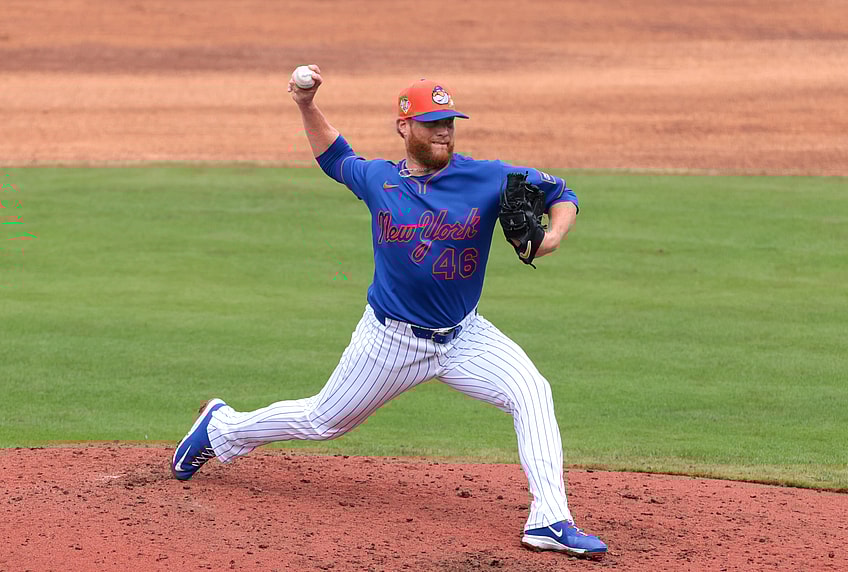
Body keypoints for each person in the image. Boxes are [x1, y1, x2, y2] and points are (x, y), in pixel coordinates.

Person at [171, 65, 607, 559]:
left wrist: (549, 239)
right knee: (322, 421)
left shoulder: (488, 176)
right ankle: (221, 427)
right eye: (432, 122)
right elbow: (335, 156)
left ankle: (549, 520)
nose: (444, 130)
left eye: (450, 122)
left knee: (532, 391)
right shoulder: (379, 179)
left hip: (465, 336)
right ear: (405, 127)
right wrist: (306, 104)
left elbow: (561, 193)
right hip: (390, 341)